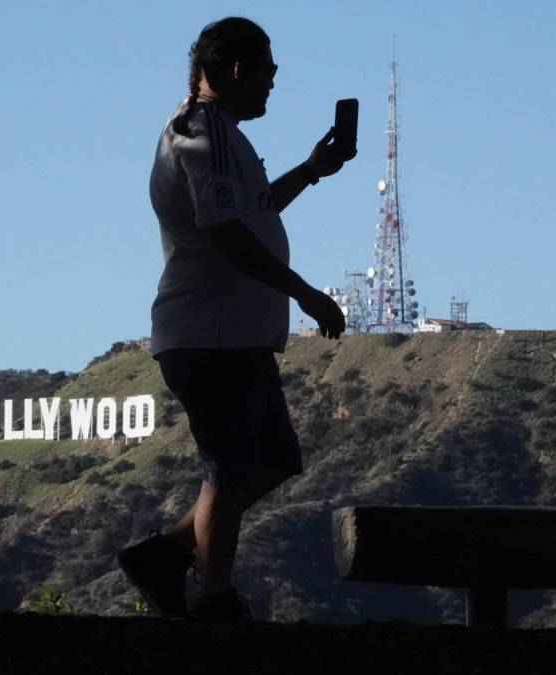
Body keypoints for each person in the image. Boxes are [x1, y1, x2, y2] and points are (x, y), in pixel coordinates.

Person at [117, 17, 350, 622]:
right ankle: (216, 600)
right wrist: (305, 293)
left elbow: (250, 208)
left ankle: (166, 555)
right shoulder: (203, 132)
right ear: (237, 70)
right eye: (269, 74)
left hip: (233, 333)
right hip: (211, 331)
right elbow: (224, 230)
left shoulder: (222, 134)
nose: (273, 86)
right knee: (230, 466)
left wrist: (310, 171)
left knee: (274, 459)